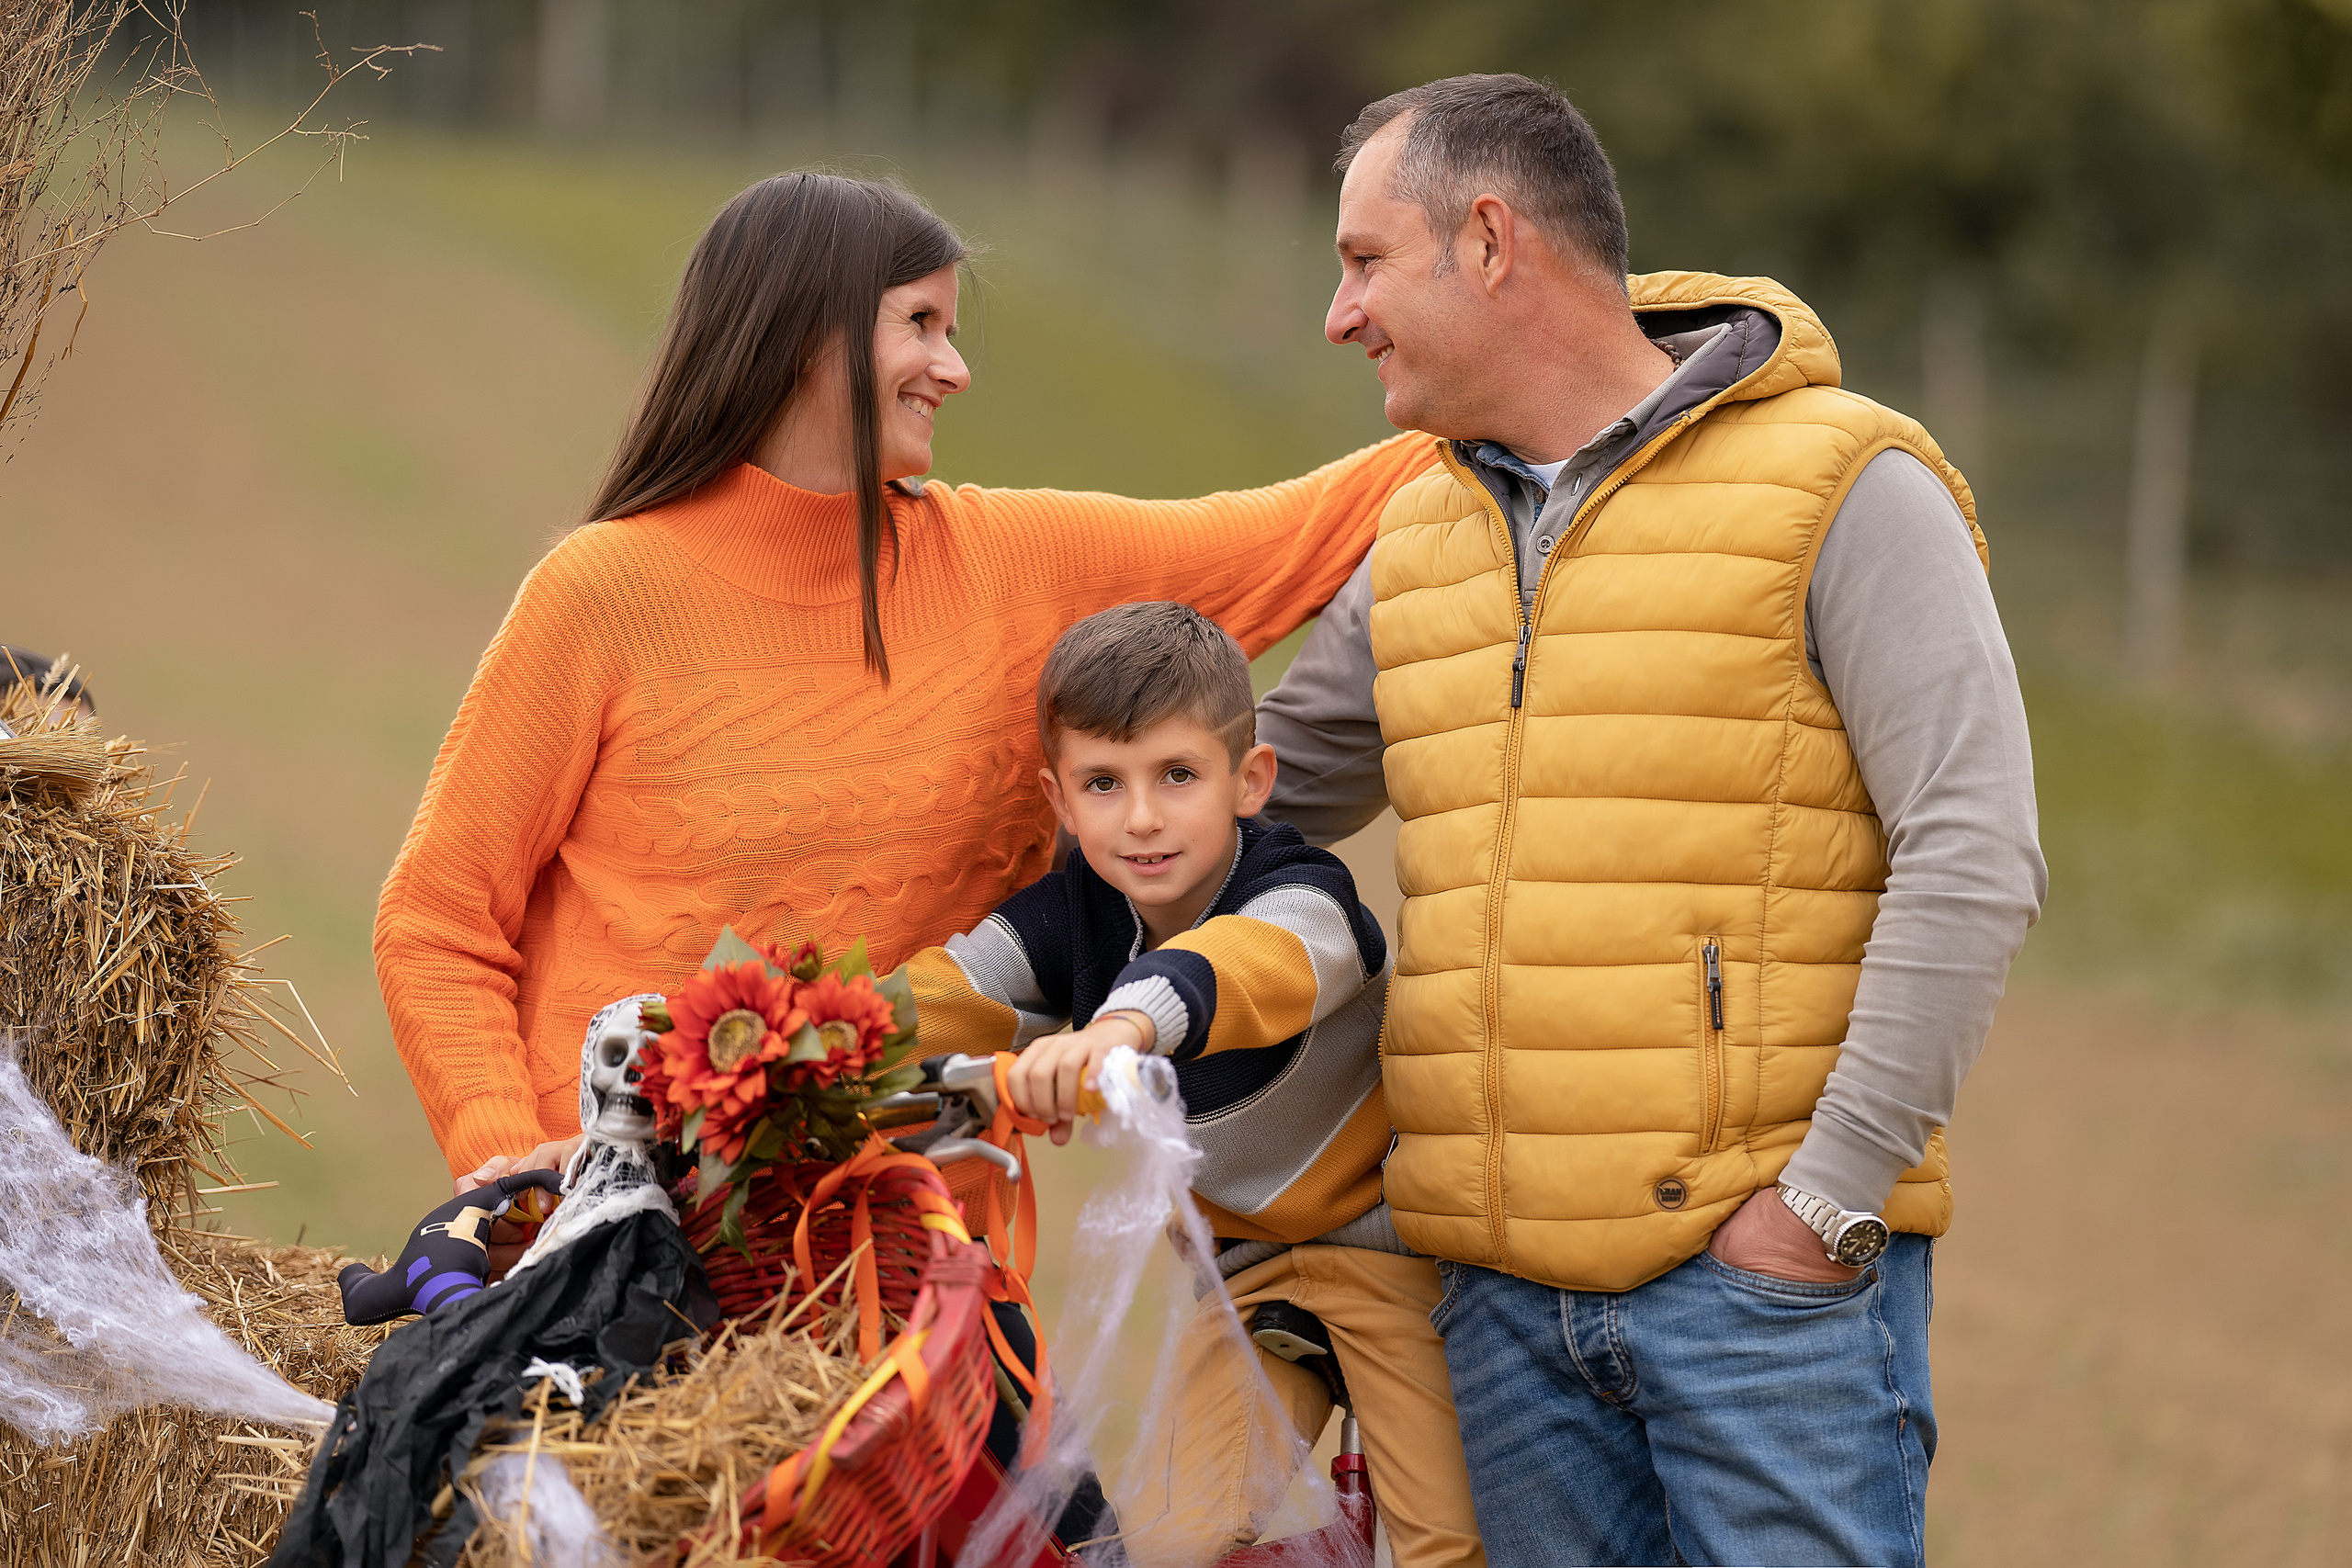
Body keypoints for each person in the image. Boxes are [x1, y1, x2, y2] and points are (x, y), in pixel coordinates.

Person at [1257, 75, 2048, 1567]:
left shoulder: (1845, 482)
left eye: (1365, 260)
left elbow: (1976, 846)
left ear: (1488, 239)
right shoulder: (1419, 530)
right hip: (1488, 1310)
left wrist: (1822, 1206)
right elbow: (1243, 805)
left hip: (1764, 1300)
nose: (1338, 312)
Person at [373, 173, 1437, 1208]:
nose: (953, 367)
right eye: (921, 323)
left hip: (909, 1253)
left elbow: (1314, 528)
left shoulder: (1016, 563)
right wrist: (508, 1161)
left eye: (952, 330)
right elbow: (438, 918)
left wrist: (1583, 340)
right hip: (618, 1230)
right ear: (805, 335)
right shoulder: (600, 594)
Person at [903, 601, 1481, 1568]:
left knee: (1448, 1543)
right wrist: (787, 1036)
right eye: (1103, 783)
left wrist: (1121, 1030)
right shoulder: (1075, 912)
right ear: (1059, 799)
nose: (1140, 818)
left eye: (1176, 775)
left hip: (1395, 1257)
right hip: (1239, 1271)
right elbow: (953, 993)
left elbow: (1241, 970)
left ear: (1247, 780)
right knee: (1172, 1539)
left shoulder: (1301, 894)